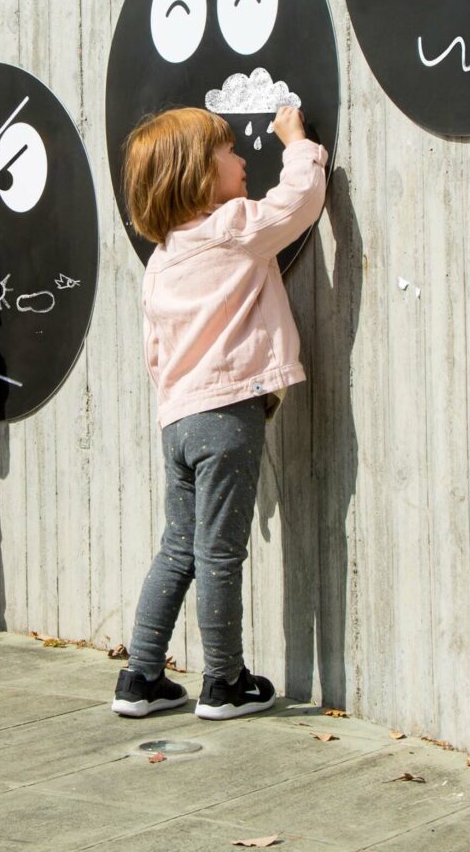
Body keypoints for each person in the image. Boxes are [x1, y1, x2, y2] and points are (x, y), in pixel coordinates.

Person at [111, 103, 327, 720]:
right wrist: (297, 141)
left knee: (177, 550)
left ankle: (141, 676)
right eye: (230, 154)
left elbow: (155, 351)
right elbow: (298, 203)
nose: (242, 160)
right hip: (228, 414)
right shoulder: (231, 226)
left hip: (177, 419)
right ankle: (224, 682)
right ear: (201, 178)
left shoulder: (160, 261)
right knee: (219, 553)